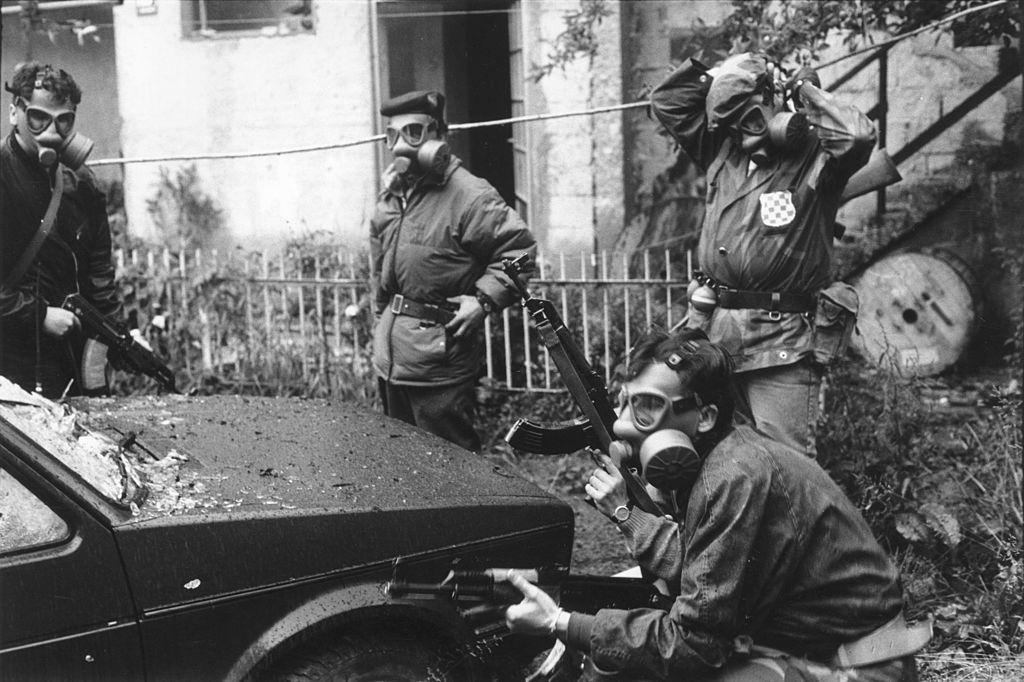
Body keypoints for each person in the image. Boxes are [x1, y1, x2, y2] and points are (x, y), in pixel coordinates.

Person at [505, 329, 930, 681]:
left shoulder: (735, 476)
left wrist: (560, 622)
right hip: (803, 638)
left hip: (860, 665)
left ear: (704, 417)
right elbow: (700, 565)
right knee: (613, 658)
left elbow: (694, 645)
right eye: (622, 403)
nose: (622, 424)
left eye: (647, 406)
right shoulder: (720, 455)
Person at [649, 53, 874, 457]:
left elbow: (857, 136)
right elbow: (667, 101)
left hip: (781, 340)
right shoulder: (723, 151)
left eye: (748, 117)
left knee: (785, 465)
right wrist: (722, 73)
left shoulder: (816, 155)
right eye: (730, 123)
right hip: (717, 335)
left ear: (770, 99)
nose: (742, 132)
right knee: (723, 458)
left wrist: (804, 91)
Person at [369, 90, 536, 452]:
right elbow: (380, 273)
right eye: (393, 135)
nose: (401, 145)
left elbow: (519, 251)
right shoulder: (393, 197)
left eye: (414, 132)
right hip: (393, 361)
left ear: (440, 135)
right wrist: (378, 327)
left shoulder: (470, 195)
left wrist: (483, 300)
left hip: (440, 363)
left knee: (451, 467)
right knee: (399, 461)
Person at [1, 62, 122, 399]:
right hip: (8, 361)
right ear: (15, 113)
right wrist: (38, 315)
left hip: (68, 355)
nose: (51, 131)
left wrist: (118, 331)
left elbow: (99, 271)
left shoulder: (82, 184)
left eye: (64, 120)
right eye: (39, 117)